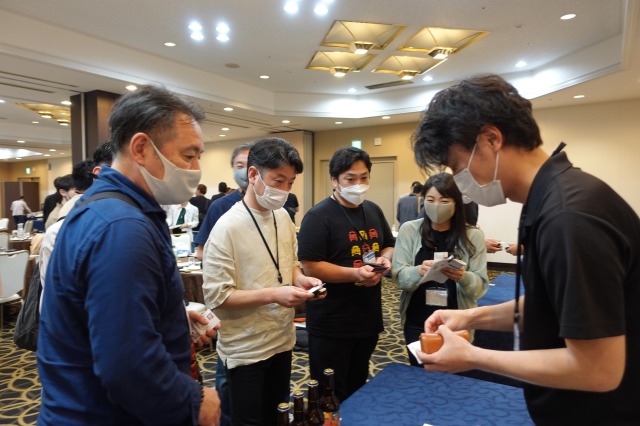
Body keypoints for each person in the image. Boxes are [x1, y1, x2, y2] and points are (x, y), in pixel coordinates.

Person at [411, 74, 640, 423]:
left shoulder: (568, 217)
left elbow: (598, 370)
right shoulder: (554, 198)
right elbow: (554, 305)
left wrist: (474, 356)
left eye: (457, 167)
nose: (459, 181)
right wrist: (471, 317)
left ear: (491, 140)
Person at [37, 85, 220, 425]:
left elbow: (104, 318)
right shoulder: (122, 227)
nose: (196, 168)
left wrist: (169, 318)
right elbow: (128, 365)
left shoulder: (107, 209)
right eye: (188, 156)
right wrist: (194, 402)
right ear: (141, 148)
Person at [202, 137, 322, 426]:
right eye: (278, 181)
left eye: (290, 183)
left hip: (281, 339)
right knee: (249, 421)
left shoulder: (283, 217)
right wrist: (274, 295)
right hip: (245, 350)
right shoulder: (227, 227)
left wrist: (301, 279)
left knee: (277, 416)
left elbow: (288, 263)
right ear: (253, 174)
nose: (284, 190)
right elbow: (218, 298)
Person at [297, 146, 395, 402]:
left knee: (357, 387)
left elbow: (388, 243)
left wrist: (385, 259)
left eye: (364, 177)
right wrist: (356, 274)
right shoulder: (318, 216)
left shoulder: (372, 209)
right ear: (334, 180)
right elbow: (311, 266)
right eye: (350, 179)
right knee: (329, 394)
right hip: (332, 321)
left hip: (367, 316)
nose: (358, 185)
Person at [392, 173, 488, 367]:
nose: (436, 206)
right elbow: (399, 278)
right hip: (418, 320)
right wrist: (418, 271)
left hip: (457, 322)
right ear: (423, 201)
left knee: (454, 377)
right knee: (421, 373)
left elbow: (479, 288)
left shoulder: (473, 235)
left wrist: (463, 277)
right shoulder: (409, 230)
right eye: (430, 200)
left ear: (456, 203)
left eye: (444, 201)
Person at [194, 142, 253, 261]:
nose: (245, 171)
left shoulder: (273, 205)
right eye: (240, 166)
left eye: (250, 165)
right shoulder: (220, 206)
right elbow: (201, 252)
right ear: (233, 168)